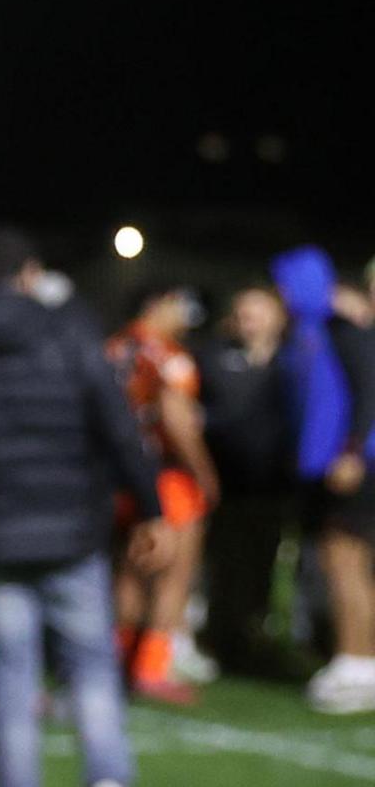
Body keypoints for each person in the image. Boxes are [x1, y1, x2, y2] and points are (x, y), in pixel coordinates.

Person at [0, 226, 170, 787]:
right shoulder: (72, 340)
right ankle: (108, 777)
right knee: (91, 665)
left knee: (9, 674)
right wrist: (150, 510)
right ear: (29, 275)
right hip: (73, 529)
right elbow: (121, 433)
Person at [273, 246, 375, 713]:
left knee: (347, 564)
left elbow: (369, 392)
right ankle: (354, 658)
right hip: (334, 468)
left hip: (354, 468)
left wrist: (351, 453)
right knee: (341, 565)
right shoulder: (313, 331)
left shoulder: (345, 331)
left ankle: (358, 662)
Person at [107, 284, 220, 704]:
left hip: (120, 476)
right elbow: (176, 418)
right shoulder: (169, 356)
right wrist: (205, 473)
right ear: (156, 305)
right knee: (175, 573)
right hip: (168, 476)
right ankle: (151, 669)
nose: (187, 316)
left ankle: (117, 663)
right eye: (180, 305)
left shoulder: (113, 348)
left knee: (129, 572)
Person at [195, 283, 299, 681]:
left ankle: (252, 640)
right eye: (243, 311)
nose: (248, 318)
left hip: (274, 486)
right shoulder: (214, 356)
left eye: (258, 310)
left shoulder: (295, 359)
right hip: (224, 485)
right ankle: (218, 639)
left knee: (264, 565)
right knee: (223, 566)